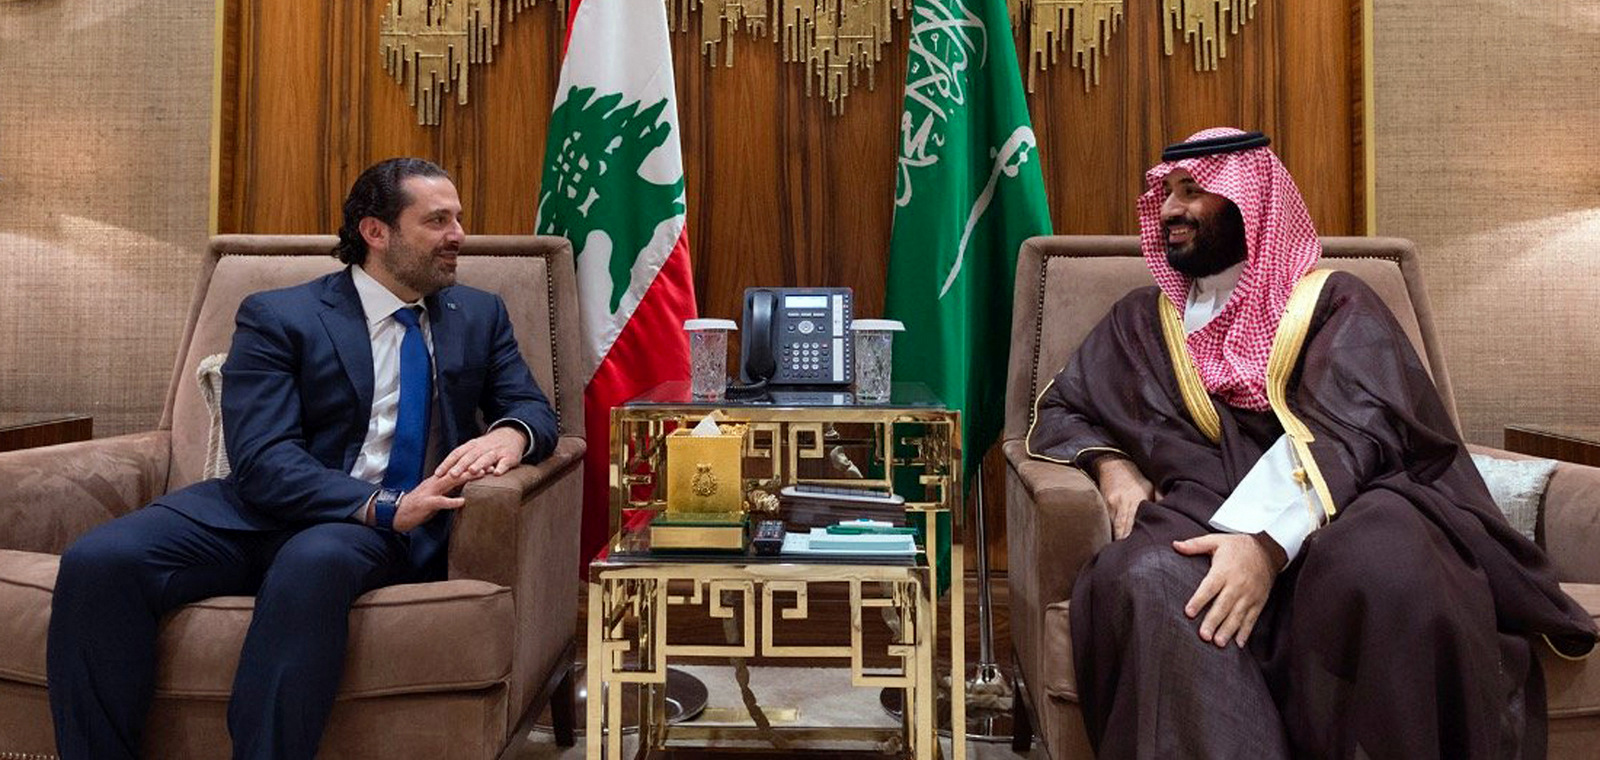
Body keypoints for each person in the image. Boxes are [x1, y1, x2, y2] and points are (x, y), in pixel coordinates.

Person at [1027, 128, 1595, 758]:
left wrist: (1263, 549)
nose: (1170, 210)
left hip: (1351, 510)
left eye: (1193, 191)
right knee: (1148, 576)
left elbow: (1352, 431)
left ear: (1249, 202)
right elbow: (1063, 406)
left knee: (1388, 566)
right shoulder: (1141, 322)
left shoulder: (1338, 303)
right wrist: (1113, 467)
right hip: (1197, 511)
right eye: (1166, 193)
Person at [47, 157, 560, 759]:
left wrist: (511, 436)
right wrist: (383, 503)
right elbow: (262, 460)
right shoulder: (279, 316)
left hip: (370, 532)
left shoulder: (477, 314)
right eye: (438, 220)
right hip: (271, 507)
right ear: (376, 232)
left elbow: (531, 406)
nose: (458, 236)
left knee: (311, 563)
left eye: (458, 219)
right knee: (97, 561)